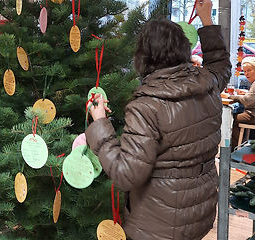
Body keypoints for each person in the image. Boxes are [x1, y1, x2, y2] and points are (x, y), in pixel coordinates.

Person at [85, 0, 231, 239]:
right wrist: (206, 20)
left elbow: (126, 174)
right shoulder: (208, 84)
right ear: (183, 48)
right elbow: (221, 65)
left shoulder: (146, 107)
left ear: (144, 56)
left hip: (157, 225)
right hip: (199, 214)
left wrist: (100, 122)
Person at [230, 57, 255, 150]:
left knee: (232, 119)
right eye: (244, 71)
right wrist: (246, 93)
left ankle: (233, 148)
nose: (246, 74)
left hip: (253, 115)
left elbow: (248, 101)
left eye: (249, 70)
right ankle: (241, 143)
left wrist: (230, 97)